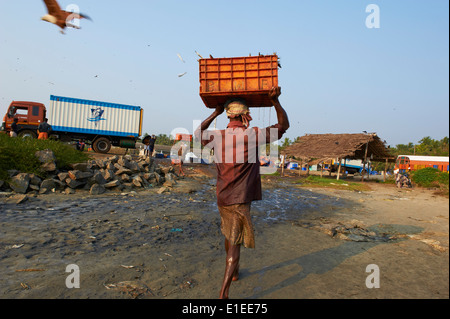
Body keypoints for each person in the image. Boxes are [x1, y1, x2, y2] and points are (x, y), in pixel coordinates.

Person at [195, 87, 289, 299]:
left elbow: (197, 134)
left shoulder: (217, 136)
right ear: (246, 116)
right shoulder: (252, 135)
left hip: (222, 197)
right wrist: (275, 102)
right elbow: (283, 126)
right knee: (234, 247)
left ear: (228, 115)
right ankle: (224, 294)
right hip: (240, 200)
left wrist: (214, 113)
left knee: (229, 234)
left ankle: (235, 273)